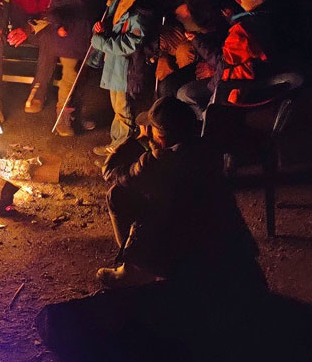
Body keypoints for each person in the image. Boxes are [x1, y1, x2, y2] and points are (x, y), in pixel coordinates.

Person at [98, 96, 264, 291]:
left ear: (159, 136)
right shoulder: (206, 149)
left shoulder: (158, 162)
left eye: (150, 127)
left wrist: (137, 140)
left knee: (117, 194)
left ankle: (135, 269)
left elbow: (110, 171)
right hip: (229, 249)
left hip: (189, 254)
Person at [177, 0, 281, 117]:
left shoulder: (240, 35)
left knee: (184, 94)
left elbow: (225, 70)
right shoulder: (275, 18)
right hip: (266, 85)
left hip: (237, 96)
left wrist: (196, 40)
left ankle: (203, 123)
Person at [89, 0, 158, 157]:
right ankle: (116, 143)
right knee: (117, 106)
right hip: (114, 62)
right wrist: (102, 28)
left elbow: (130, 43)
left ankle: (122, 152)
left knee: (124, 108)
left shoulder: (142, 10)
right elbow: (113, 22)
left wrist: (99, 42)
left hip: (128, 67)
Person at [48, 0, 106, 135]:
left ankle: (77, 115)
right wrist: (60, 24)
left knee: (82, 81)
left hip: (86, 41)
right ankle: (63, 119)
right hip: (69, 40)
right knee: (70, 80)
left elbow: (96, 7)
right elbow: (54, 9)